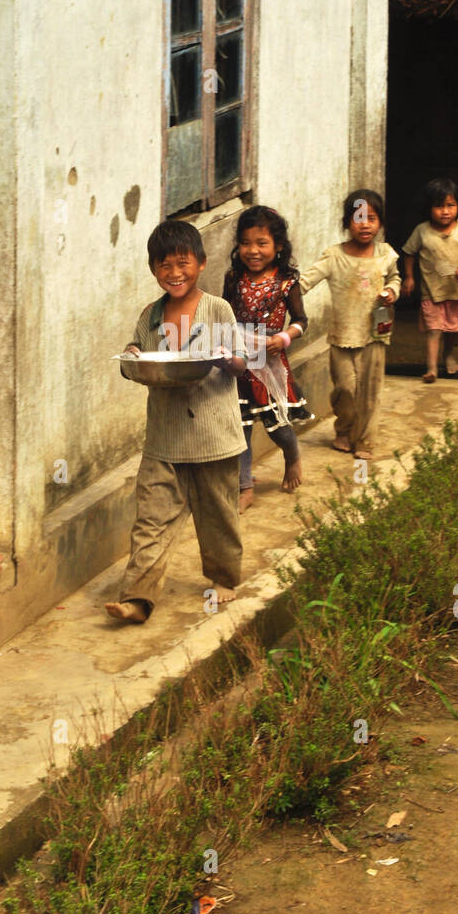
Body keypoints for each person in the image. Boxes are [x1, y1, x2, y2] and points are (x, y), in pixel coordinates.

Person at [105, 220, 246, 625]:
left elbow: (240, 364)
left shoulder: (218, 308)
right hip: (164, 438)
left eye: (182, 263)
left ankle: (224, 578)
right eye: (164, 265)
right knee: (151, 519)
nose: (174, 273)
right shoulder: (150, 316)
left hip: (214, 435)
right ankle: (137, 599)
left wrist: (223, 356)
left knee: (218, 513)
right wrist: (132, 353)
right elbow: (135, 360)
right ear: (154, 270)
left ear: (201, 264)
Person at [222, 206, 313, 513]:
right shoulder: (233, 278)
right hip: (238, 363)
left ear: (279, 247)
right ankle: (244, 486)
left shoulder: (287, 281)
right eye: (246, 243)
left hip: (270, 362)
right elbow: (224, 315)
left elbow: (301, 320)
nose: (253, 250)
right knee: (240, 425)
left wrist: (285, 337)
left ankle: (292, 455)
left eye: (262, 243)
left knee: (277, 425)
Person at [300, 189, 401, 459]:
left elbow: (395, 279)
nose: (365, 224)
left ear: (380, 223)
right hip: (342, 335)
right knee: (345, 388)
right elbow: (305, 282)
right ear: (346, 222)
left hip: (375, 334)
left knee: (370, 391)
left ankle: (366, 440)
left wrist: (392, 292)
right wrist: (280, 293)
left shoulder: (386, 254)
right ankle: (344, 428)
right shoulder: (334, 256)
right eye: (358, 218)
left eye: (371, 217)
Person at [401, 178, 458, 383]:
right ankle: (431, 369)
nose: (445, 211)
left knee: (452, 330)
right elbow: (409, 253)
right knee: (434, 330)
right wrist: (409, 277)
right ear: (429, 208)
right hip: (432, 293)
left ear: (457, 206)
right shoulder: (422, 231)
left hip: (455, 291)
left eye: (450, 205)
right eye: (439, 206)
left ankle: (448, 355)